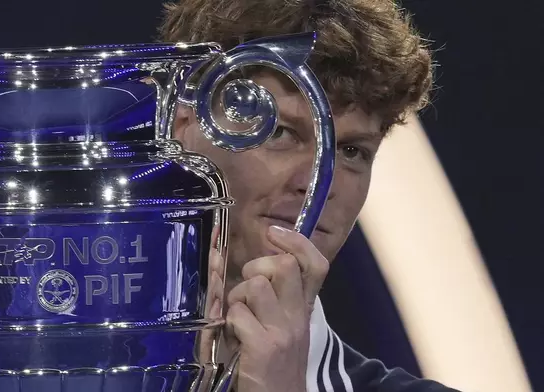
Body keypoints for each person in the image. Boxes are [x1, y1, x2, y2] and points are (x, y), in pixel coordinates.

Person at [158, 0, 461, 391]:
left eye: (351, 151)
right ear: (180, 133)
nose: (317, 181)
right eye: (280, 132)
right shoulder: (59, 364)